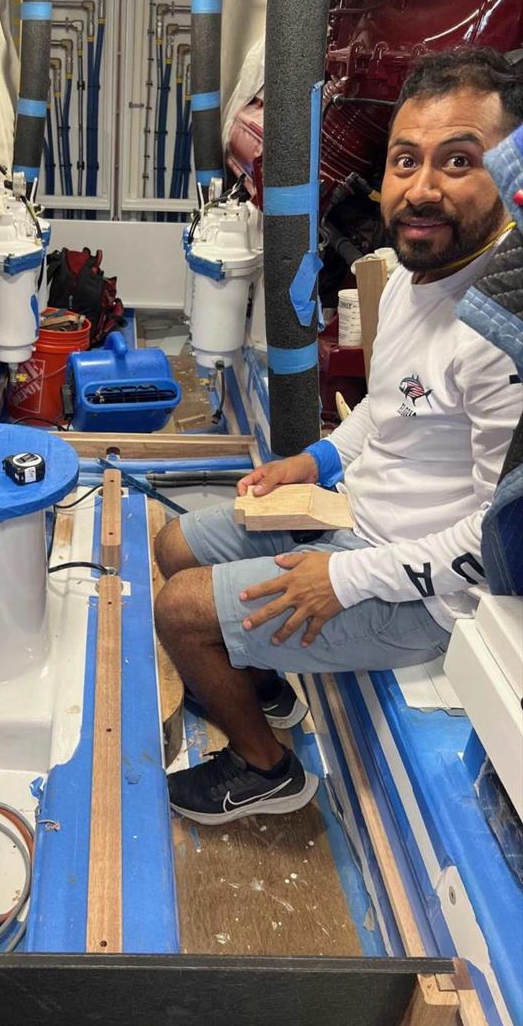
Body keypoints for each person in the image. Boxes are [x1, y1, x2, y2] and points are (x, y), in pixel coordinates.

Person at [154, 47, 523, 826]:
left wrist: (341, 581)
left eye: (459, 160)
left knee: (180, 610)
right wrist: (311, 459)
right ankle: (263, 682)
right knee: (176, 544)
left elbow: (493, 545)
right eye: (405, 160)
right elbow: (385, 415)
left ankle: (266, 767)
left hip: (417, 595)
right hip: (353, 523)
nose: (422, 187)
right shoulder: (413, 278)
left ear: (508, 174)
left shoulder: (499, 333)